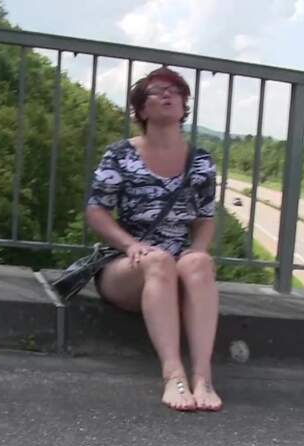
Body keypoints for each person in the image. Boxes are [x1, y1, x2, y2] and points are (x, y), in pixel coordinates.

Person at [85, 66, 223, 413]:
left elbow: (205, 218)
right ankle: (173, 376)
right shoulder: (120, 155)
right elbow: (97, 211)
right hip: (127, 266)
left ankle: (203, 377)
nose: (168, 95)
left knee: (200, 262)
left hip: (176, 268)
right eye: (158, 91)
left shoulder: (201, 161)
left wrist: (197, 249)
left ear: (184, 105)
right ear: (142, 109)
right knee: (158, 260)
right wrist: (130, 245)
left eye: (175, 91)